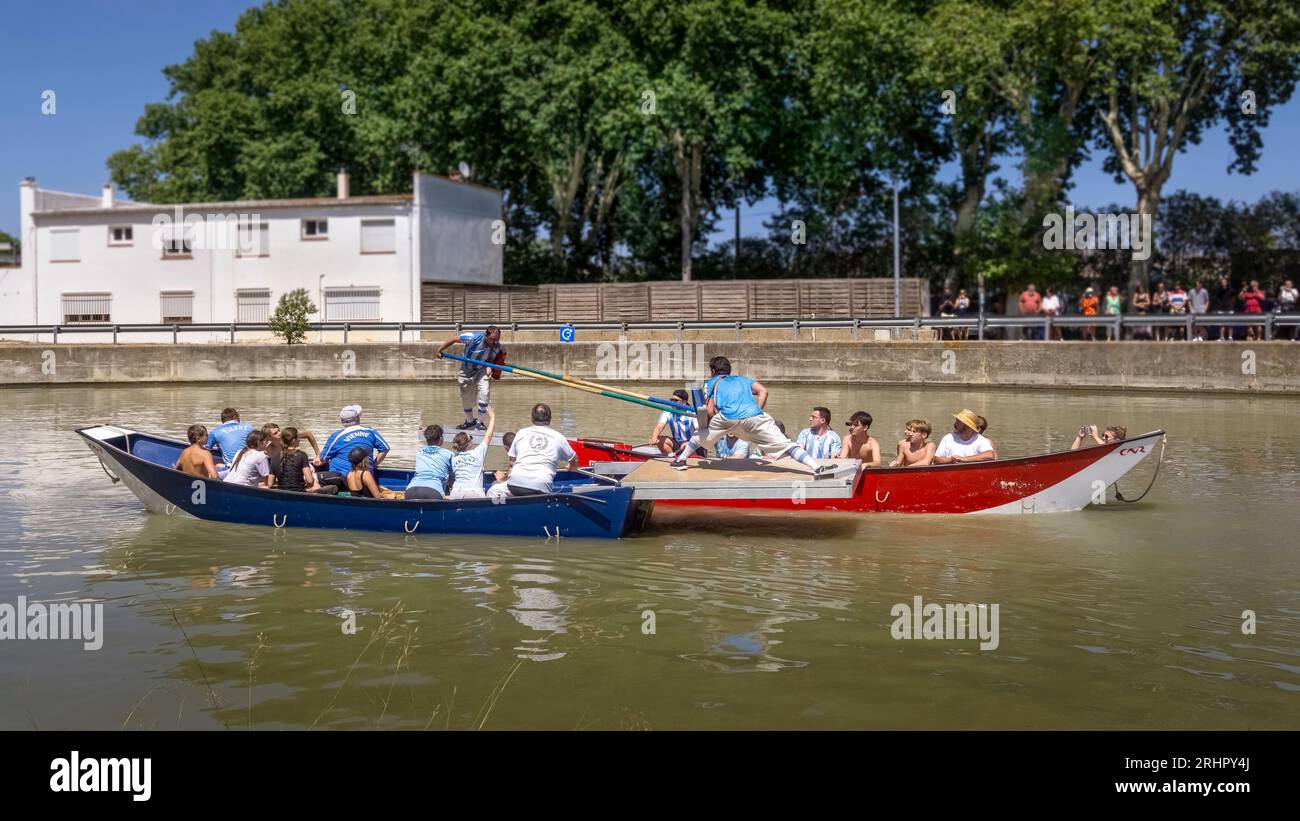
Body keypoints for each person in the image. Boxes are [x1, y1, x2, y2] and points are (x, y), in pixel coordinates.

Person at [671, 356, 835, 476]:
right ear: (729, 370)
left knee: (700, 435)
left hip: (727, 418)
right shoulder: (744, 379)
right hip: (754, 416)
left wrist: (713, 422)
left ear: (713, 371)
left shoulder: (711, 383)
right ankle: (817, 468)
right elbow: (764, 391)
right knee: (787, 445)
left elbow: (708, 410)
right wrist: (756, 411)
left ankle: (680, 460)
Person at [438, 325, 504, 430]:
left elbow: (495, 359)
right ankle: (470, 422)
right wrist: (440, 350)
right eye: (493, 339)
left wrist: (490, 367)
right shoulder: (473, 338)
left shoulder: (497, 346)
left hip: (481, 370)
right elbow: (454, 339)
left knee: (484, 392)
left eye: (497, 339)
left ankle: (480, 423)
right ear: (486, 336)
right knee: (466, 397)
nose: (495, 342)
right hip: (466, 369)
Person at [504, 403, 577, 496]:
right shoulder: (559, 437)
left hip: (514, 484)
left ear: (532, 418)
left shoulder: (520, 433)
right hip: (540, 486)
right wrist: (571, 467)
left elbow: (511, 464)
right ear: (550, 419)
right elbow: (575, 460)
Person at [317, 405, 390, 490]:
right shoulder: (371, 432)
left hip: (342, 480)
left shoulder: (337, 436)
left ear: (342, 421)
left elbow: (322, 459)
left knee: (314, 479)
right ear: (357, 418)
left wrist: (317, 459)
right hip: (366, 478)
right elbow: (385, 449)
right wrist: (372, 465)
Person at [448, 407, 497, 499]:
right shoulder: (478, 452)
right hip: (475, 494)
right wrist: (492, 417)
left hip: (456, 494)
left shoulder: (453, 457)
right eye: (470, 437)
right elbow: (489, 435)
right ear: (469, 443)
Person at [276, 427, 333, 494]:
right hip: (298, 492)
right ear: (294, 441)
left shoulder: (275, 457)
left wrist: (318, 454)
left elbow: (270, 483)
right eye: (298, 438)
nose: (299, 440)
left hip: (281, 492)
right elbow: (310, 481)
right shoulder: (302, 455)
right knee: (323, 487)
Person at [405, 424, 454, 500]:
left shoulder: (419, 452)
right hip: (433, 491)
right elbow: (453, 476)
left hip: (411, 490)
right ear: (441, 439)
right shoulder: (448, 454)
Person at [649, 390, 698, 456]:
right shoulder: (668, 412)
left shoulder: (692, 413)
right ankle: (671, 458)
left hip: (694, 445)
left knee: (688, 446)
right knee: (660, 440)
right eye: (671, 400)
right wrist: (654, 438)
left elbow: (699, 431)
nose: (672, 402)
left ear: (684, 402)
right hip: (678, 444)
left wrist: (689, 443)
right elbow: (659, 426)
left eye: (676, 400)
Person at [487, 432, 516, 500]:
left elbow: (511, 477)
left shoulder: (513, 456)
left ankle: (498, 507)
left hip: (519, 485)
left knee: (494, 485)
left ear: (505, 447)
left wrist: (501, 478)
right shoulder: (522, 450)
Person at [1212, 275, 1236, 341]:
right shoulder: (1219, 289)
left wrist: (1228, 285)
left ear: (1227, 283)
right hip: (1221, 308)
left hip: (1229, 308)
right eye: (1222, 282)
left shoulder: (1231, 289)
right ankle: (1222, 337)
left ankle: (1230, 337)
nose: (1223, 283)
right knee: (1221, 323)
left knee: (1230, 323)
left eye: (1225, 282)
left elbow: (1233, 294)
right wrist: (1220, 284)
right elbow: (1216, 293)